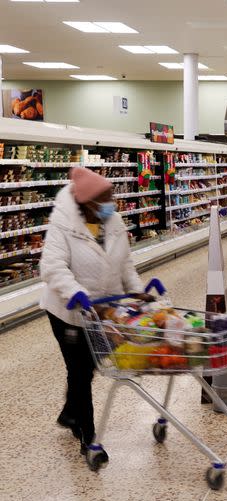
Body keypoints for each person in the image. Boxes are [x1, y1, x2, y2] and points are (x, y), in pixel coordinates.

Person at [40, 167, 147, 457]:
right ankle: (88, 436)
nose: (113, 203)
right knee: (80, 370)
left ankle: (69, 413)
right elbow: (52, 267)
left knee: (89, 367)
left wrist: (137, 291)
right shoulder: (63, 224)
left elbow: (126, 264)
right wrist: (77, 294)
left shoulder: (113, 220)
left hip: (102, 310)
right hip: (68, 311)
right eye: (106, 198)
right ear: (87, 202)